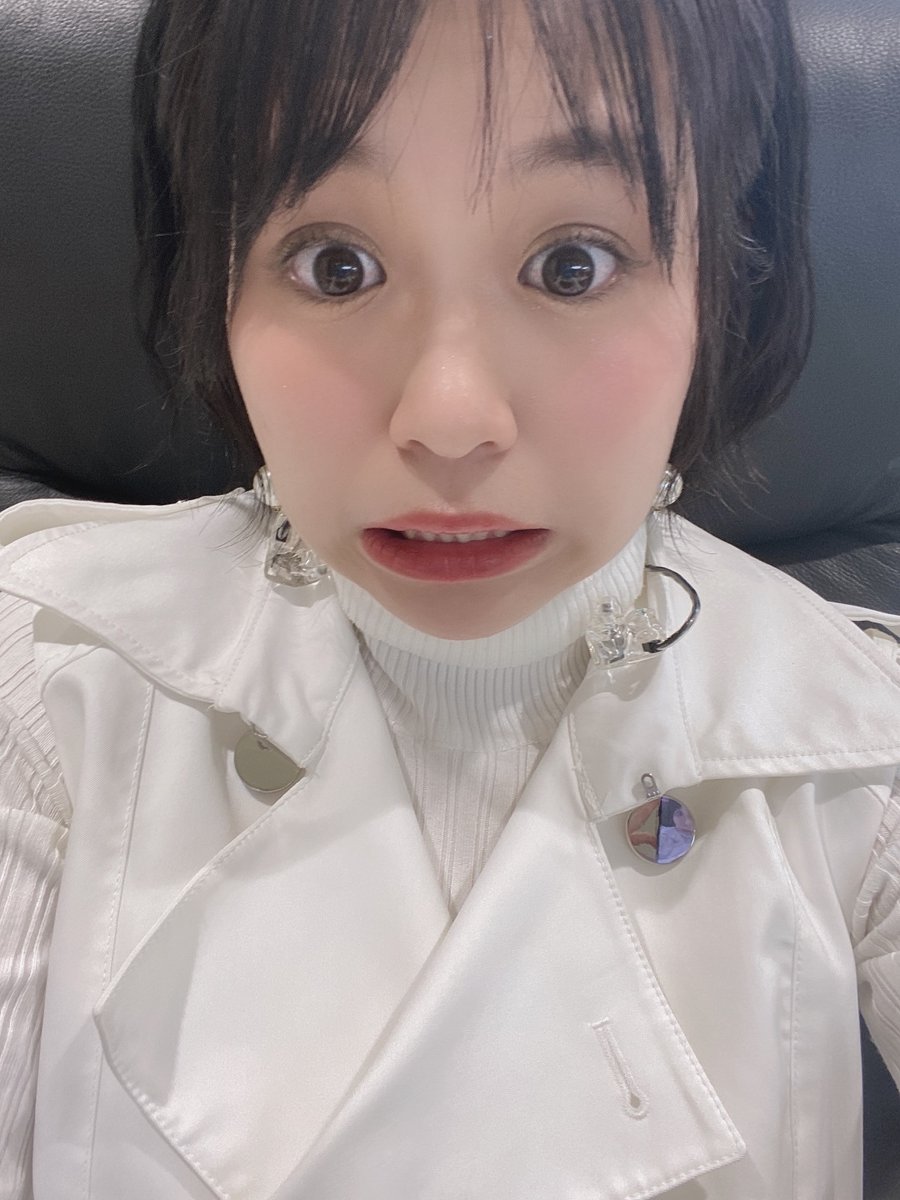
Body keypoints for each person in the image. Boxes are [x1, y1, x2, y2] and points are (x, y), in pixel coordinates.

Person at [0, 0, 898, 1196]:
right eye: (336, 266)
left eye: (573, 264)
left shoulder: (859, 741)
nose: (449, 419)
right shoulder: (45, 677)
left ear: (726, 284)